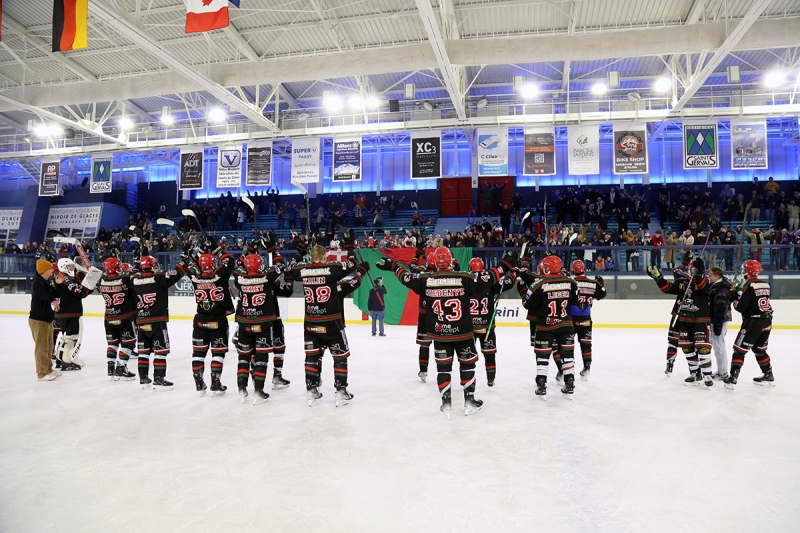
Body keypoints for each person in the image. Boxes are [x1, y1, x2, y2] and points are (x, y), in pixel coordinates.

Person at [378, 246, 516, 417]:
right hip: (464, 334)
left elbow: (406, 277)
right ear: (452, 261)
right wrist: (505, 265)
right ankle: (469, 401)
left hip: (439, 334)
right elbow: (488, 278)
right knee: (468, 365)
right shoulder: (464, 277)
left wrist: (393, 266)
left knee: (443, 369)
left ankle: (446, 403)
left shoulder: (425, 279)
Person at [291, 231, 359, 407]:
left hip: (311, 322)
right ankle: (341, 391)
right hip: (331, 321)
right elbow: (352, 264)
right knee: (340, 355)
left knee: (311, 357)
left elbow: (291, 271)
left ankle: (311, 391)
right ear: (324, 256)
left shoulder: (303, 270)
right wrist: (350, 245)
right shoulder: (332, 269)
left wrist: (300, 251)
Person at [518, 255, 578, 399]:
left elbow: (528, 305)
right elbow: (575, 302)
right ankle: (569, 383)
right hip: (566, 324)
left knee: (543, 357)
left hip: (546, 326)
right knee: (568, 356)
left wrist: (522, 292)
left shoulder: (538, 284)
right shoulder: (571, 282)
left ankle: (541, 384)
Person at [650, 253, 714, 387]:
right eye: (691, 268)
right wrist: (658, 277)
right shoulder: (682, 281)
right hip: (684, 319)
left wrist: (700, 273)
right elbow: (668, 288)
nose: (692, 271)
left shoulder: (705, 281)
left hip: (700, 320)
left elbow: (704, 287)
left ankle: (707, 375)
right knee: (687, 348)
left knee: (703, 348)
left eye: (694, 269)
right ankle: (694, 372)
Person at [183, 237, 235, 397]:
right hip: (217, 320)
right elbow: (230, 261)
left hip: (200, 320)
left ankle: (198, 381)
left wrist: (196, 252)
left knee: (198, 353)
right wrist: (216, 249)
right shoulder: (220, 275)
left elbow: (190, 265)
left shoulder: (194, 277)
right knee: (218, 353)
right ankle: (216, 382)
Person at [231, 252, 284, 404]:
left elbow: (237, 267)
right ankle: (259, 391)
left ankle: (241, 388)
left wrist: (246, 255)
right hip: (262, 323)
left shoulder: (239, 279)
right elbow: (279, 267)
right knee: (261, 357)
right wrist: (276, 253)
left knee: (243, 357)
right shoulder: (267, 277)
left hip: (244, 323)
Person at [131, 245, 185, 390]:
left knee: (143, 351)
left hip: (141, 321)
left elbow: (134, 272)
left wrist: (138, 261)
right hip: (157, 321)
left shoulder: (134, 279)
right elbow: (177, 273)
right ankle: (159, 378)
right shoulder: (159, 277)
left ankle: (143, 378)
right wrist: (184, 260)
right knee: (160, 350)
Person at [724, 260, 775, 389]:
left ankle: (733, 377)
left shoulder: (747, 284)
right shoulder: (765, 284)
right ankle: (768, 374)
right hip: (767, 320)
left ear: (746, 271)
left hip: (753, 321)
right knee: (759, 349)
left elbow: (741, 306)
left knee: (739, 350)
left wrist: (733, 298)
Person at [467, 257, 516, 387]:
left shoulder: (466, 282)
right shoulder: (489, 283)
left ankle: (468, 380)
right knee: (489, 354)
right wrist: (514, 273)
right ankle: (490, 379)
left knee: (468, 356)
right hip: (486, 326)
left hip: (470, 326)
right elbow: (509, 282)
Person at [97, 257, 137, 381]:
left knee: (112, 343)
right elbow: (134, 275)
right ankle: (121, 366)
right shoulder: (124, 278)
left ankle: (110, 368)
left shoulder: (101, 279)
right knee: (128, 343)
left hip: (109, 317)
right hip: (124, 317)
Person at [570, 260, 606, 380]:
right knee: (586, 345)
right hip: (586, 319)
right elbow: (602, 295)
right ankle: (587, 368)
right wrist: (601, 283)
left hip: (571, 319)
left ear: (573, 270)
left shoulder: (572, 282)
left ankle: (566, 370)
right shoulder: (593, 283)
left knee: (568, 345)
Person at [53, 258, 90, 370]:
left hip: (61, 313)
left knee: (65, 338)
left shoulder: (61, 277)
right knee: (72, 338)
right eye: (69, 266)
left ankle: (60, 360)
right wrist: (91, 283)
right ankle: (67, 362)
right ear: (63, 267)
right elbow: (80, 292)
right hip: (70, 312)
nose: (72, 268)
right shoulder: (66, 278)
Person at [29, 260, 61, 381]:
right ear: (43, 270)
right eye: (50, 268)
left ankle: (48, 369)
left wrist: (57, 284)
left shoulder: (47, 282)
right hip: (38, 319)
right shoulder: (37, 283)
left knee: (48, 346)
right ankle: (41, 373)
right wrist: (51, 300)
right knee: (41, 347)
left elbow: (55, 294)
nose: (53, 270)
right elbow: (43, 295)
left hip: (47, 318)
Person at [708, 266, 732, 380]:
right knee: (717, 344)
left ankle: (723, 372)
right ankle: (722, 370)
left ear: (717, 276)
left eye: (711, 274)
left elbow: (720, 309)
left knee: (719, 345)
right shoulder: (717, 285)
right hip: (717, 319)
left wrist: (717, 327)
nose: (709, 276)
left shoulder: (722, 289)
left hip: (719, 320)